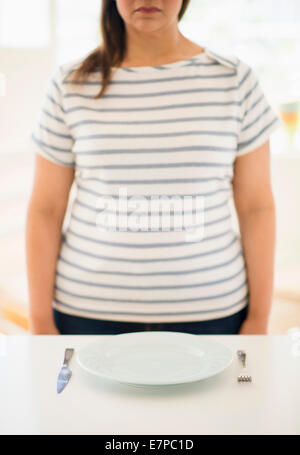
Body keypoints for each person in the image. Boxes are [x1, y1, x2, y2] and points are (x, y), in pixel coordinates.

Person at [26, 0, 282, 335]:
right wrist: (40, 321)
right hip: (87, 316)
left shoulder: (234, 80)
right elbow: (45, 209)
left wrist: (259, 318)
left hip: (212, 314)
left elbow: (257, 208)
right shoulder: (70, 83)